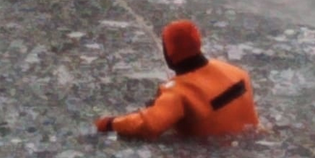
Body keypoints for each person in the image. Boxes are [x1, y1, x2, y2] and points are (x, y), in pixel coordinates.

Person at [95, 20, 258, 140]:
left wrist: (110, 123)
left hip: (214, 155)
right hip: (249, 141)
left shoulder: (178, 93)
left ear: (169, 55)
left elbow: (149, 125)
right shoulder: (235, 71)